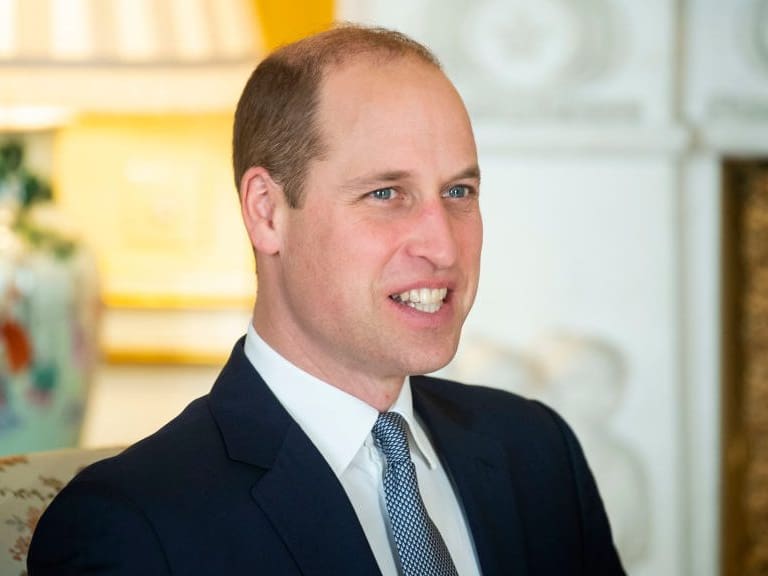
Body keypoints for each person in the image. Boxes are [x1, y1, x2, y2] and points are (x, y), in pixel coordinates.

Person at [28, 25, 625, 576]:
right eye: (386, 192)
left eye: (458, 191)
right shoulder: (132, 525)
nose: (443, 245)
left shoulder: (537, 452)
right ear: (266, 212)